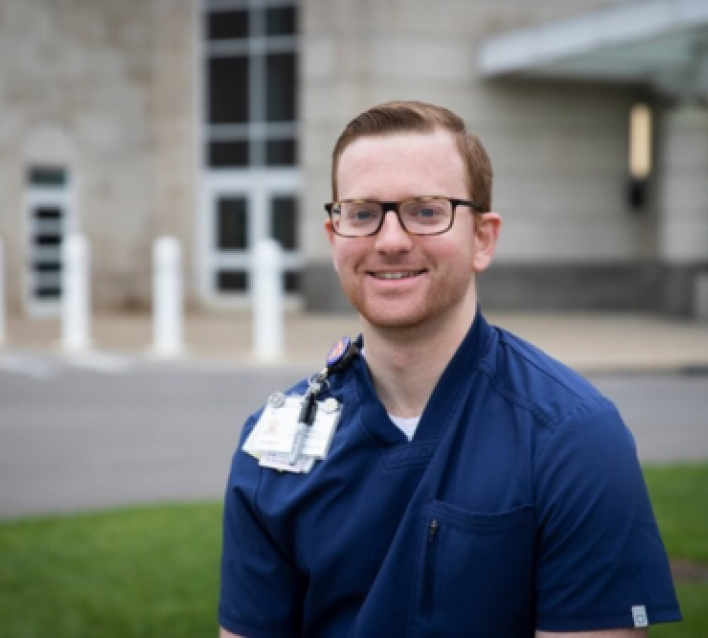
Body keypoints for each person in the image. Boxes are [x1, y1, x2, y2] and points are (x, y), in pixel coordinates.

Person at [218, 101, 682, 637]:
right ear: (334, 237)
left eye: (426, 210)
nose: (390, 241)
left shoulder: (573, 438)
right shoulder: (272, 449)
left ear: (482, 238)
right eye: (363, 212)